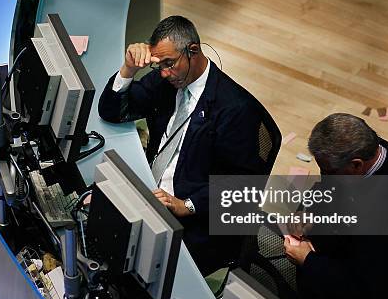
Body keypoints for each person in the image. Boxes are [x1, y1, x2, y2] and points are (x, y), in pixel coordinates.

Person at [98, 16, 279, 275]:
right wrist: (128, 69)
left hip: (192, 220)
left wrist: (186, 205)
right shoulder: (167, 79)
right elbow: (111, 112)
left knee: (133, 267)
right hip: (150, 192)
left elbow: (244, 185)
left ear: (193, 51)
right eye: (158, 65)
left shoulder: (235, 109)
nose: (163, 73)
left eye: (169, 64)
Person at [284, 113, 388, 299]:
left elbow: (362, 285)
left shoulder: (386, 207)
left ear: (356, 165)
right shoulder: (374, 150)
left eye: (327, 170)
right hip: (342, 263)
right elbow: (327, 187)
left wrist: (307, 260)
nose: (324, 175)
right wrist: (307, 211)